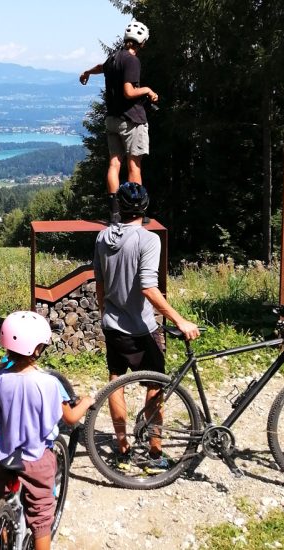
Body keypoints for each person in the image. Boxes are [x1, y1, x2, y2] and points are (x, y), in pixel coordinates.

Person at [93, 182, 199, 471]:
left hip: (112, 325)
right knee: (154, 387)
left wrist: (105, 312)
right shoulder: (148, 240)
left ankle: (123, 448)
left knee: (116, 383)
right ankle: (154, 453)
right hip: (142, 328)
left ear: (120, 208)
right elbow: (148, 288)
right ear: (144, 207)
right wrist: (180, 320)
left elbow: (100, 283)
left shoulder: (103, 237)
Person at [0, 311, 93, 550]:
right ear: (37, 350)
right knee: (42, 516)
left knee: (0, 501)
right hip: (37, 459)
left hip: (5, 457)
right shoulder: (50, 384)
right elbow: (71, 418)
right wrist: (86, 401)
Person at [79, 21, 158, 223]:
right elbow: (129, 91)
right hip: (131, 120)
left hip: (112, 120)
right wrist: (148, 90)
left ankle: (115, 212)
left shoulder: (113, 57)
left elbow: (101, 67)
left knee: (114, 164)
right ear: (142, 43)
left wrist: (87, 72)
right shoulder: (132, 61)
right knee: (134, 166)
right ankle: (136, 213)